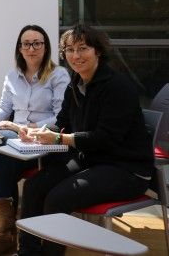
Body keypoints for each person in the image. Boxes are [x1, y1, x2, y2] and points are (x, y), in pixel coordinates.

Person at [17, 25, 154, 256]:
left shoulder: (118, 87)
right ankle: (28, 252)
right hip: (92, 161)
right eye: (70, 50)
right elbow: (62, 123)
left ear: (97, 51)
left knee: (57, 198)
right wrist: (38, 132)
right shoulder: (75, 84)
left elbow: (105, 139)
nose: (76, 55)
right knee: (33, 187)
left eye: (83, 48)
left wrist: (59, 138)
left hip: (127, 170)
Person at [0, 24, 69, 256]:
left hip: (45, 138)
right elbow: (5, 108)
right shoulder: (12, 75)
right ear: (20, 48)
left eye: (37, 43)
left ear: (46, 47)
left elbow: (61, 116)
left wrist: (30, 128)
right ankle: (5, 226)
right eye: (26, 44)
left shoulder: (58, 75)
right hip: (17, 137)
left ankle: (5, 231)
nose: (32, 48)